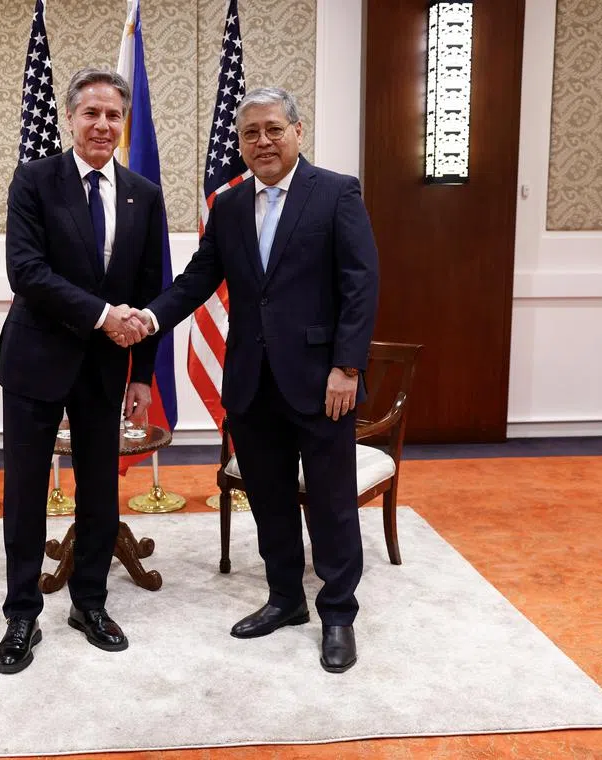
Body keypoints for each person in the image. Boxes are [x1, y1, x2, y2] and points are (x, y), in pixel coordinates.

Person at [138, 86, 379, 673]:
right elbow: (197, 281)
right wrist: (148, 318)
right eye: (251, 133)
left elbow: (361, 284)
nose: (263, 141)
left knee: (330, 503)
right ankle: (286, 598)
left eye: (274, 129)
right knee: (268, 499)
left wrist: (347, 367)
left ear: (298, 131)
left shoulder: (337, 192)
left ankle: (338, 613)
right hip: (250, 380)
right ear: (240, 144)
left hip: (322, 382)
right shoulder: (227, 206)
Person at [0, 67, 164, 674]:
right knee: (24, 493)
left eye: (114, 115)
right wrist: (102, 315)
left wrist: (143, 374)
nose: (102, 125)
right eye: (91, 113)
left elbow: (151, 288)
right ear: (70, 118)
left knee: (99, 492)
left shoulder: (144, 193)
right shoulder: (34, 179)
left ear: (124, 123)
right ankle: (21, 613)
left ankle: (90, 603)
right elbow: (26, 272)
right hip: (35, 359)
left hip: (106, 367)